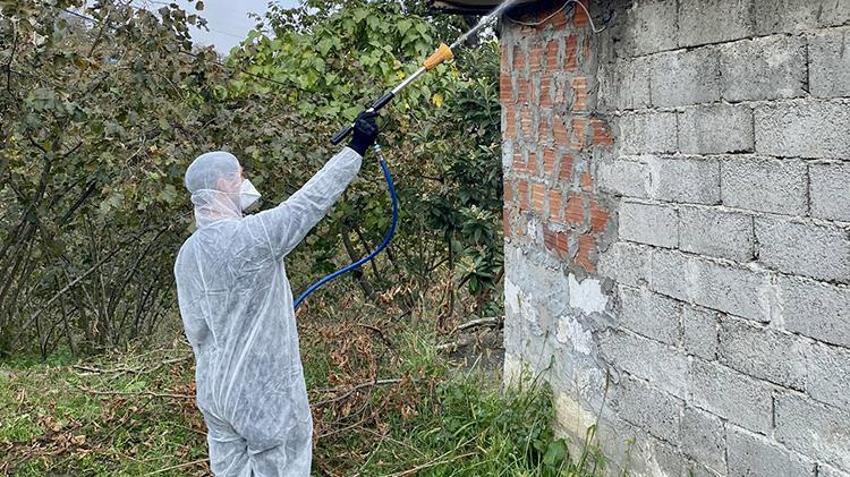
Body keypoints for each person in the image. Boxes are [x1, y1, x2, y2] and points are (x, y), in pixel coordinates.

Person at [173, 114, 379, 476]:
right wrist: (356, 149)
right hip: (261, 394)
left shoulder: (187, 254)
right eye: (240, 176)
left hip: (214, 392)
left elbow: (197, 328)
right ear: (223, 184)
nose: (245, 182)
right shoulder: (255, 236)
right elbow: (309, 203)